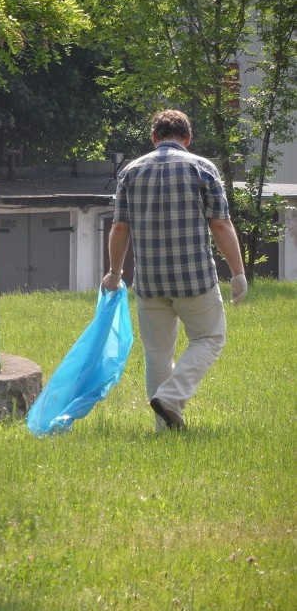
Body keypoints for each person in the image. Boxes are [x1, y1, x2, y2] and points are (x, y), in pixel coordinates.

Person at [102, 109, 247, 431]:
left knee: (157, 354)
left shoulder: (131, 171)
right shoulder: (202, 168)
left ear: (154, 138)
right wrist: (238, 273)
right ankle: (171, 397)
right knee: (210, 338)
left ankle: (164, 428)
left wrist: (114, 273)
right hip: (195, 279)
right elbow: (220, 224)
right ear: (188, 138)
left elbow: (119, 227)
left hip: (150, 282)